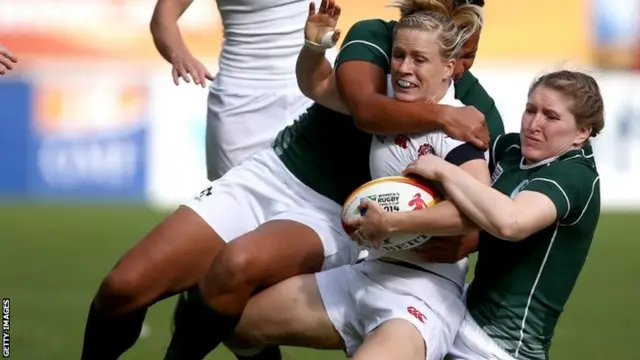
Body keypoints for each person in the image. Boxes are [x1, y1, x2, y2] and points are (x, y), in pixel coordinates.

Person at [79, 1, 500, 360]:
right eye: (461, 49)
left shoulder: (478, 108)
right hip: (278, 171)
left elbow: (484, 215)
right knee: (123, 287)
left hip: (335, 214)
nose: (464, 65)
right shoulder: (377, 37)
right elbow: (364, 109)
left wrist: (438, 231)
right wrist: (444, 116)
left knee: (236, 269)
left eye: (470, 55)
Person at [227, 69, 603, 360]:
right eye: (530, 109)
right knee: (235, 324)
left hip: (499, 347)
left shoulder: (572, 175)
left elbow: (511, 222)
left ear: (581, 133)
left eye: (550, 117)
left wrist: (440, 169)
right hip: (461, 316)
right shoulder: (511, 150)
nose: (534, 124)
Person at [297, 0, 501, 264]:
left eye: (468, 56)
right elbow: (321, 85)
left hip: (420, 266)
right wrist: (314, 48)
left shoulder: (471, 118)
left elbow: (489, 200)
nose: (461, 68)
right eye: (401, 56)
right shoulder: (394, 91)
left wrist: (476, 236)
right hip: (365, 243)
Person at [149, 0, 336, 182]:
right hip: (241, 101)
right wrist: (179, 55)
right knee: (232, 207)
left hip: (314, 90)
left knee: (328, 202)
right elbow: (163, 17)